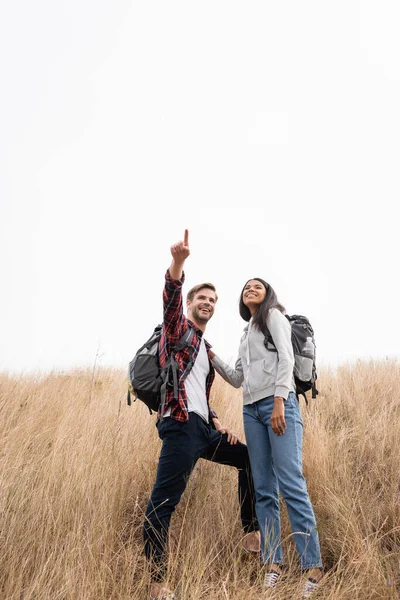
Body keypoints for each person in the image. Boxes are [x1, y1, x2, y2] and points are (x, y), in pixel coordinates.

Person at [144, 231, 259, 600]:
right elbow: (170, 297)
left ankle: (251, 535)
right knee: (162, 504)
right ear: (191, 302)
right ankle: (157, 583)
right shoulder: (177, 330)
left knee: (247, 459)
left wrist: (215, 420)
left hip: (201, 427)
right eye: (202, 298)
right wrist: (178, 263)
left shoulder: (203, 347)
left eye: (213, 300)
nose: (208, 303)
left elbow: (193, 390)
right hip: (179, 428)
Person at [209, 278, 323, 598]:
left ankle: (312, 567)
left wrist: (278, 402)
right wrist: (210, 352)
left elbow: (286, 359)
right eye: (246, 287)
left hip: (279, 404)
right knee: (263, 490)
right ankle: (273, 563)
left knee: (290, 482)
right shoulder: (246, 334)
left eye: (257, 286)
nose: (251, 289)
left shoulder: (273, 316)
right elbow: (235, 378)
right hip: (250, 411)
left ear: (267, 293)